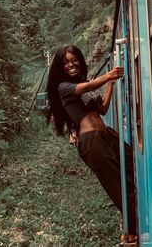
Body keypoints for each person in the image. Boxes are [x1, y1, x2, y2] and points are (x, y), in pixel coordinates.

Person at [46, 45, 137, 245]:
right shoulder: (64, 87)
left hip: (106, 134)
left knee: (134, 168)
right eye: (66, 62)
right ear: (61, 67)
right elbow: (85, 88)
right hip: (92, 141)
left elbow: (103, 109)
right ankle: (131, 233)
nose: (71, 64)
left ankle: (130, 227)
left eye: (74, 59)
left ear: (80, 60)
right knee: (118, 185)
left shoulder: (83, 82)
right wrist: (106, 77)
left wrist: (111, 83)